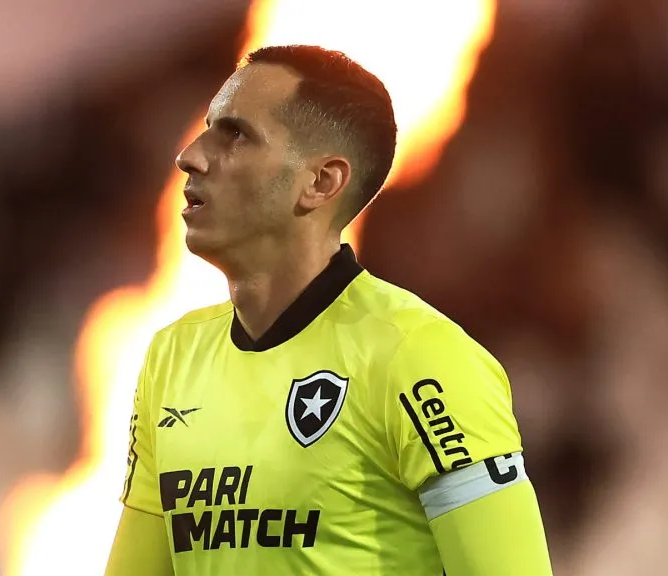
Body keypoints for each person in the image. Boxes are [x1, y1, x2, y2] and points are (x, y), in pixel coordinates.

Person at [105, 44, 551, 575]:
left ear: (321, 182)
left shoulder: (419, 357)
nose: (191, 155)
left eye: (237, 135)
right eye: (208, 127)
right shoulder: (172, 356)